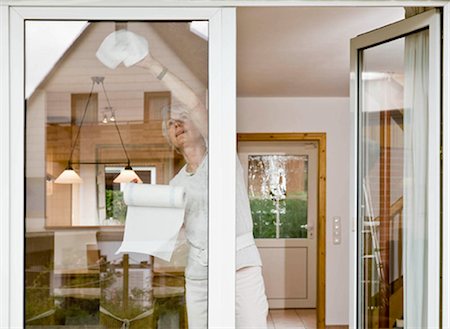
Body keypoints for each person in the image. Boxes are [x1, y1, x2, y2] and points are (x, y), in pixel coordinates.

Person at [96, 28, 268, 328]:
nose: (176, 125)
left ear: (200, 126)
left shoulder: (223, 156)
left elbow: (195, 104)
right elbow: (171, 234)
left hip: (240, 266)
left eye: (181, 118)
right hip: (200, 272)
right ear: (170, 138)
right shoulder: (177, 184)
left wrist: (150, 63)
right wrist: (140, 210)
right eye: (170, 124)